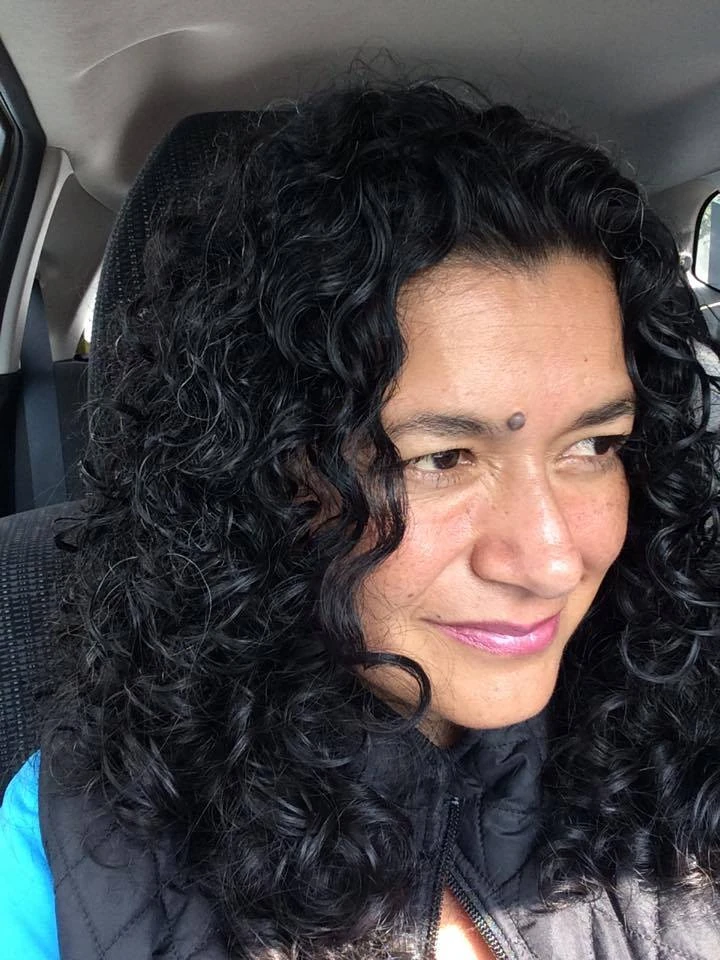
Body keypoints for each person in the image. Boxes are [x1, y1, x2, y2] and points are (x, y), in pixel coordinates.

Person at [1, 78, 720, 960]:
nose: (552, 560)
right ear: (265, 472)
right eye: (440, 458)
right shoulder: (72, 846)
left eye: (594, 444)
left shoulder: (690, 720)